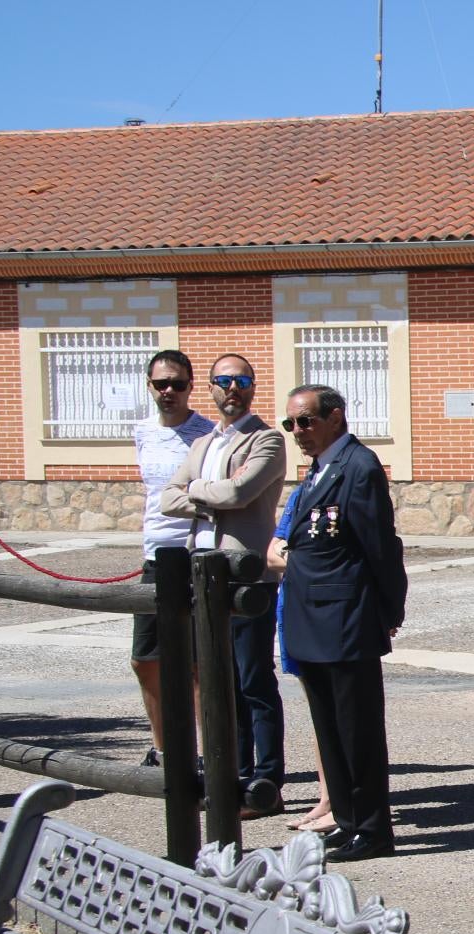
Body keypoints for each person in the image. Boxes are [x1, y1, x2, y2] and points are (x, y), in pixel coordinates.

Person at [279, 384, 407, 863]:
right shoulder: (318, 470)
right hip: (311, 618)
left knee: (358, 731)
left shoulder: (358, 466)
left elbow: (379, 545)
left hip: (345, 618)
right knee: (329, 729)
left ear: (335, 417)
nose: (298, 432)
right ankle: (349, 820)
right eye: (290, 423)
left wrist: (389, 608)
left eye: (306, 421)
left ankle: (373, 828)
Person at [161, 354, 286, 813]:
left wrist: (196, 492)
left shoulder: (267, 440)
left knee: (253, 680)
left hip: (246, 576)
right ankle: (228, 777)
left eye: (241, 380)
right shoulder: (205, 443)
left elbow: (239, 493)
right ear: (209, 388)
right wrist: (205, 496)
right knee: (221, 682)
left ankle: (266, 783)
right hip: (204, 574)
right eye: (222, 381)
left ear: (252, 387)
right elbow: (166, 498)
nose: (232, 388)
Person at [130, 350, 212, 766]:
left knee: (197, 665)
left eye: (177, 384)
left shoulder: (207, 434)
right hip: (154, 558)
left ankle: (200, 756)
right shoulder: (142, 431)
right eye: (161, 384)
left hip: (194, 555)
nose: (169, 392)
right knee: (146, 660)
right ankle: (163, 750)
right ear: (150, 386)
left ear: (190, 386)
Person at [264, 486, 334, 833]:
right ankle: (327, 797)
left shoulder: (342, 493)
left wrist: (301, 560)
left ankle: (342, 801)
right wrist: (308, 560)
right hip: (294, 607)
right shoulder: (299, 496)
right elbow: (274, 553)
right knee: (318, 711)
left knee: (339, 714)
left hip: (328, 613)